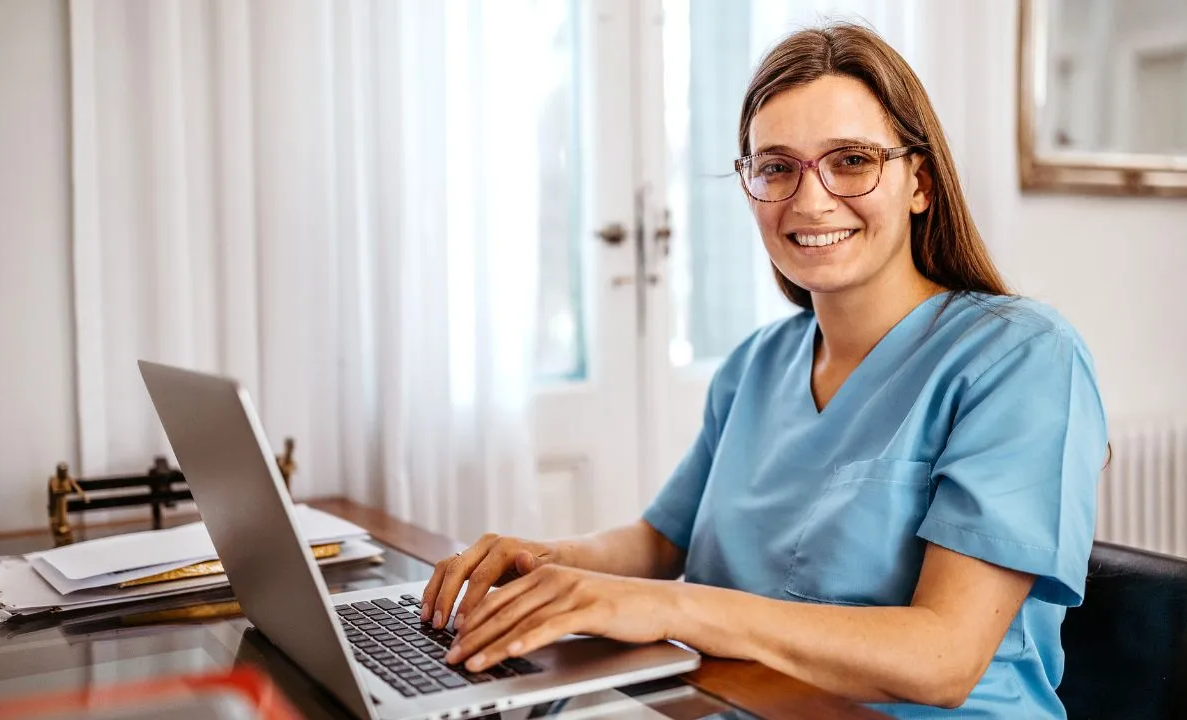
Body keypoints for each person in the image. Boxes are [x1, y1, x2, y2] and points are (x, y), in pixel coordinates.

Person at [424, 21, 1106, 718]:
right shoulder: (757, 363)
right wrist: (544, 560)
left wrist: (665, 607)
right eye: (777, 167)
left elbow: (944, 659)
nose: (810, 201)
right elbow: (661, 542)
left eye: (851, 161)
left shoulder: (1021, 356)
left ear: (920, 183)